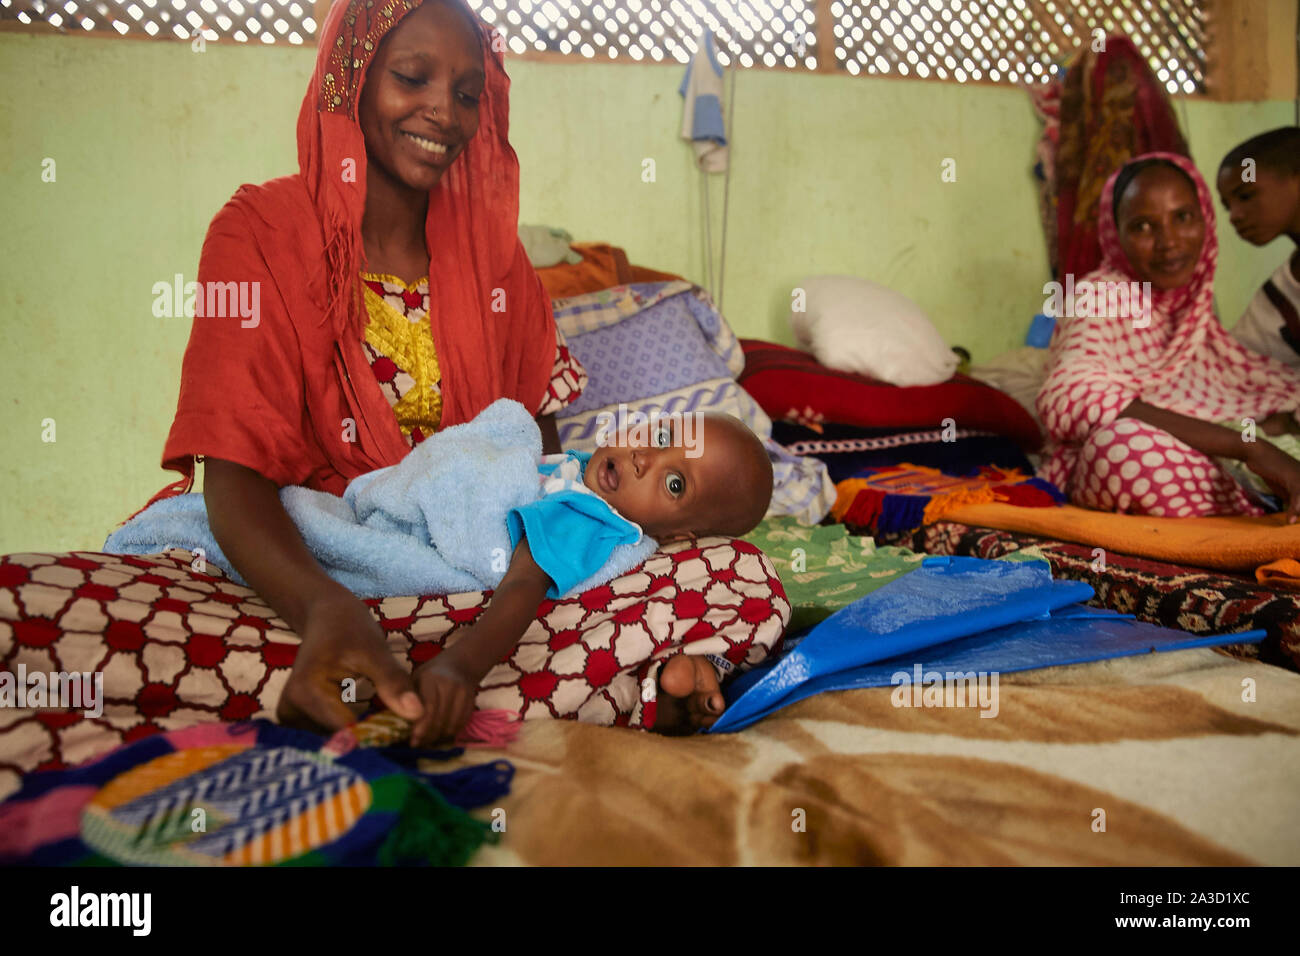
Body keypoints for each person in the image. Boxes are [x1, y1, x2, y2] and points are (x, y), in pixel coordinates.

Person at [140, 0, 782, 738]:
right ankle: (574, 687)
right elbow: (233, 479)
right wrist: (326, 608)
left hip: (475, 593)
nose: (444, 111)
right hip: (303, 580)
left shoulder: (497, 262)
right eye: (412, 77)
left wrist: (500, 609)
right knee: (67, 600)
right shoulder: (258, 234)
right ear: (351, 75)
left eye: (469, 93)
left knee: (743, 576)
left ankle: (428, 692)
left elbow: (534, 474)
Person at [411, 410, 774, 743]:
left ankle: (663, 693)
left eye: (675, 484)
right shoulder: (581, 471)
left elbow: (524, 583)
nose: (644, 458)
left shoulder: (584, 514)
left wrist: (462, 667)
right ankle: (664, 691)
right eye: (663, 437)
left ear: (675, 536)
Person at [1036, 152, 1300, 520]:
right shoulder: (1103, 292)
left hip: (1203, 464)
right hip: (1134, 463)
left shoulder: (1193, 314)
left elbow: (1245, 390)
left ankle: (1262, 498)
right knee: (1127, 449)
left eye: (1183, 217)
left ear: (1204, 219)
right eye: (1143, 226)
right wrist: (1252, 449)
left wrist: (1271, 429)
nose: (1169, 242)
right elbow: (1072, 395)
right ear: (1116, 234)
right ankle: (1261, 502)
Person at [1216, 127, 1300, 367]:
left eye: (1245, 195)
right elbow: (1233, 361)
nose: (1234, 216)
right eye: (1227, 206)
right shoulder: (1279, 298)